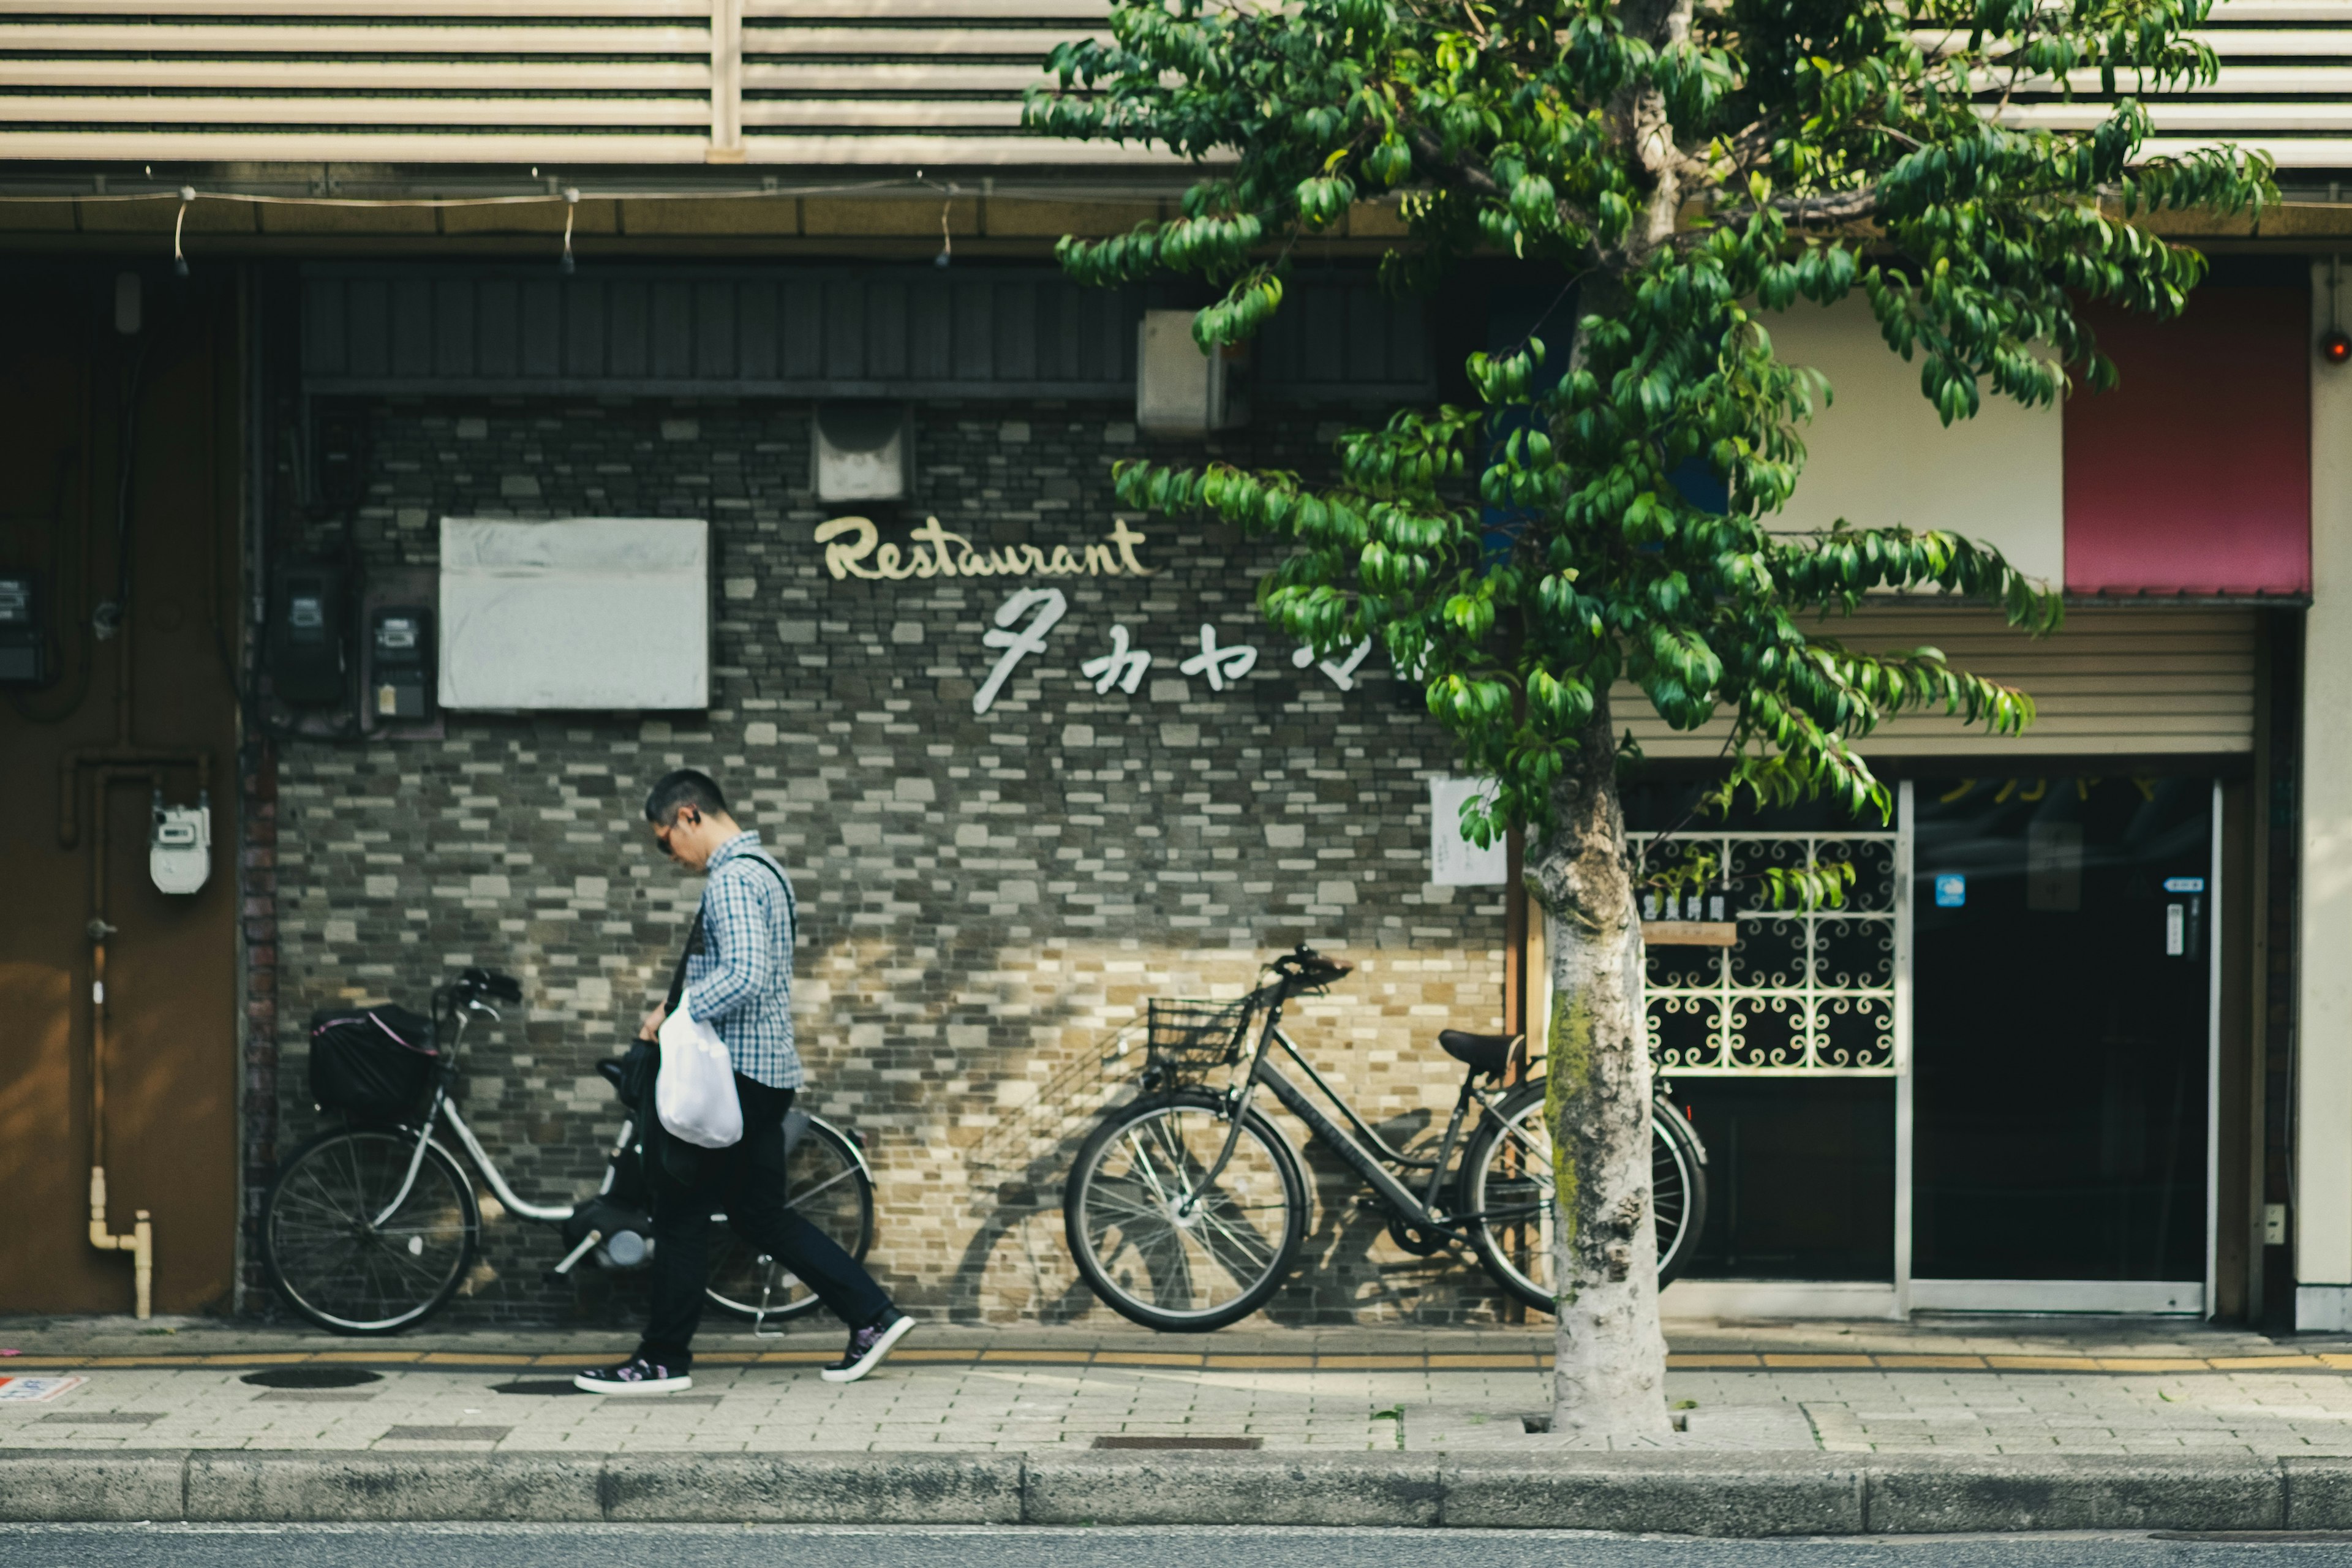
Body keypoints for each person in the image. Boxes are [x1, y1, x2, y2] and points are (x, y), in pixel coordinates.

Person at [575, 768, 914, 1394]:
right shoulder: (766, 869)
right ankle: (872, 1315)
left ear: (688, 816)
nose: (669, 855)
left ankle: (661, 1360)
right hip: (766, 1075)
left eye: (663, 840)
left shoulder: (732, 878)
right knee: (760, 1215)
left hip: (732, 1080)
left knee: (678, 1210)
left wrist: (674, 1015)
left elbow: (746, 976)